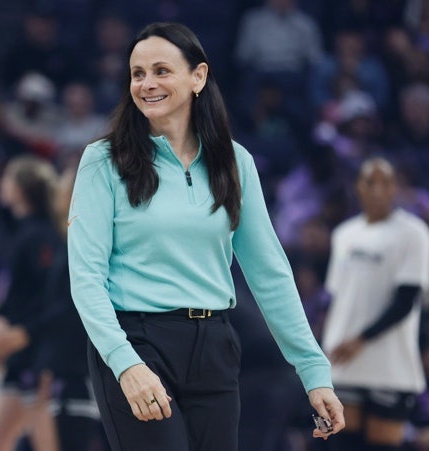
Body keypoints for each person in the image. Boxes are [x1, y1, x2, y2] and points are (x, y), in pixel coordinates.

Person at [67, 22, 344, 451]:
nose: (146, 83)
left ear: (198, 77)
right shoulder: (103, 161)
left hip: (215, 345)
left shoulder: (235, 162)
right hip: (136, 342)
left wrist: (314, 371)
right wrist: (125, 364)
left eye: (161, 70)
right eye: (138, 73)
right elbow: (86, 276)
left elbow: (270, 274)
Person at [321, 157, 429, 451]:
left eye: (386, 182)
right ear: (358, 187)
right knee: (339, 445)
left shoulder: (414, 233)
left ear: (395, 187)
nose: (377, 189)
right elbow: (337, 300)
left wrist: (360, 340)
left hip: (390, 366)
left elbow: (405, 302)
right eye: (370, 182)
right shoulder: (343, 234)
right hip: (342, 362)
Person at [0, 155, 63, 451]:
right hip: (21, 351)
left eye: (8, 177)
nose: (2, 183)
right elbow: (17, 294)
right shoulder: (22, 231)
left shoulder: (41, 236)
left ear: (22, 188)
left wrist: (21, 331)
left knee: (35, 437)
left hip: (35, 351)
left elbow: (50, 297)